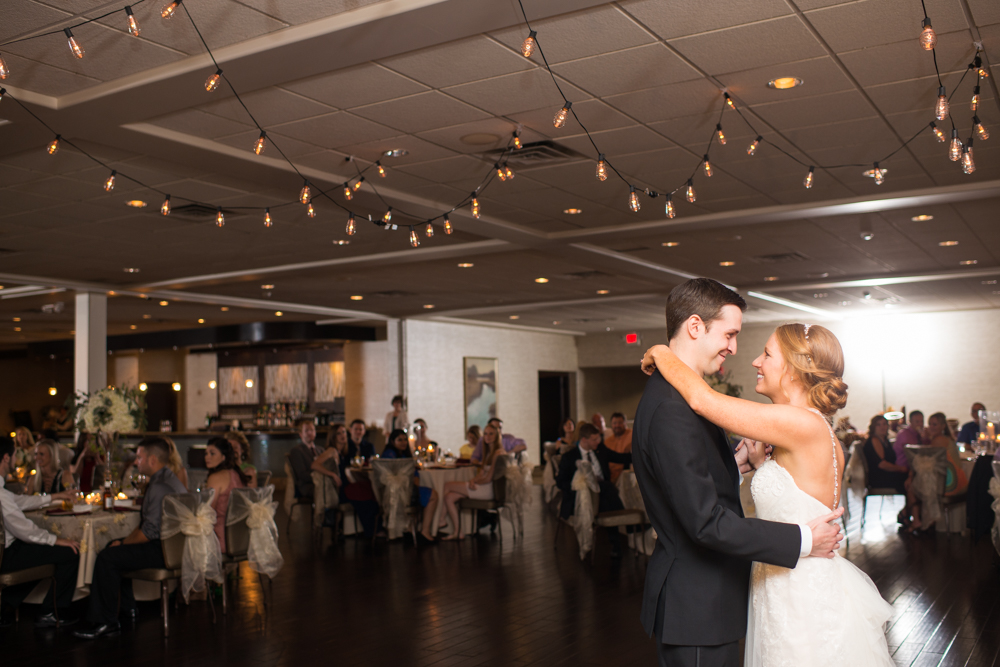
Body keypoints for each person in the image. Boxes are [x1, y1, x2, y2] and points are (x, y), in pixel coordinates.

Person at [635, 278, 863, 667]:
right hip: (707, 601)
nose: (748, 357)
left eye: (765, 354)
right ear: (695, 327)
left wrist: (660, 351)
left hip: (782, 590)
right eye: (731, 334)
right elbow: (705, 520)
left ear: (792, 369)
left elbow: (704, 399)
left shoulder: (796, 423)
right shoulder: (673, 409)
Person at [74, 436, 187, 639]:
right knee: (112, 546)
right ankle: (127, 609)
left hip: (163, 550)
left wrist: (123, 542)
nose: (136, 462)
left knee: (107, 557)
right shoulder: (169, 478)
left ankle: (104, 621)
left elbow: (148, 533)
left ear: (152, 459)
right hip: (173, 547)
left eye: (139, 457)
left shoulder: (160, 486)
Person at [0, 436, 80, 628]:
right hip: (6, 556)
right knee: (69, 552)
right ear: (5, 458)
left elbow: (20, 501)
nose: (15, 460)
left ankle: (5, 606)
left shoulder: (3, 491)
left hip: (7, 553)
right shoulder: (1, 493)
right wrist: (55, 539)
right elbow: (22, 528)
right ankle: (51, 612)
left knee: (36, 551)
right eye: (13, 456)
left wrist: (55, 496)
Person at [556, 422, 633, 557]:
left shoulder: (600, 449)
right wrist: (581, 484)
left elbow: (620, 458)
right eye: (594, 439)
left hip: (603, 497)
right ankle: (628, 526)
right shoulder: (569, 457)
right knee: (608, 489)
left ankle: (617, 543)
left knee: (606, 497)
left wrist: (642, 453)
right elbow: (561, 482)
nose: (598, 441)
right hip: (581, 497)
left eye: (599, 438)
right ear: (584, 440)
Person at [442, 422, 506, 540]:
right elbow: (482, 473)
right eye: (486, 434)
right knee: (449, 497)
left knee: (448, 485)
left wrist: (474, 482)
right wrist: (473, 480)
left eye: (491, 434)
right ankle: (458, 532)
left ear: (497, 435)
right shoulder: (489, 452)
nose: (487, 436)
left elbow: (488, 478)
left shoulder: (498, 453)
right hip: (483, 486)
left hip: (488, 490)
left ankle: (441, 519)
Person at [909, 412, 968, 535]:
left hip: (950, 482)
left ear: (942, 426)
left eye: (935, 424)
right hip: (951, 478)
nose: (931, 427)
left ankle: (918, 521)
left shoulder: (939, 440)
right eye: (930, 424)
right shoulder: (944, 438)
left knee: (912, 486)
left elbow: (924, 461)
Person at [379, 429, 440, 543]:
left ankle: (411, 529)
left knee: (427, 493)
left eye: (405, 440)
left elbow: (412, 471)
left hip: (406, 490)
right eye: (399, 440)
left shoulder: (404, 455)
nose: (403, 442)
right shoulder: (390, 455)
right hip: (398, 493)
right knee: (433, 495)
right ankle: (425, 532)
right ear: (392, 441)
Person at [204, 437, 250, 553]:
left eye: (212, 453)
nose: (207, 457)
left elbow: (209, 512)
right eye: (206, 453)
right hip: (240, 536)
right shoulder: (236, 474)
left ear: (223, 457)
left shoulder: (215, 478)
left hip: (220, 538)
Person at [863, 415, 910, 499]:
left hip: (887, 475)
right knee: (909, 481)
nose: (882, 427)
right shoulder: (874, 440)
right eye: (879, 424)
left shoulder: (885, 440)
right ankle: (909, 510)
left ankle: (909, 509)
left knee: (911, 478)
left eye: (884, 424)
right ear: (873, 427)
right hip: (879, 479)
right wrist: (901, 468)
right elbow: (882, 465)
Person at [288, 418, 322, 499]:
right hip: (308, 486)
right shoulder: (296, 451)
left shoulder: (321, 450)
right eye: (306, 431)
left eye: (312, 430)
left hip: (322, 483)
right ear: (301, 434)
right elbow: (302, 475)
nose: (310, 433)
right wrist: (319, 478)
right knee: (325, 490)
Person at [604, 412, 633, 483]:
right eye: (614, 423)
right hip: (609, 477)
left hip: (625, 475)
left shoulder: (632, 435)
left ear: (625, 423)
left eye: (620, 423)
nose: (617, 425)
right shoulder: (607, 441)